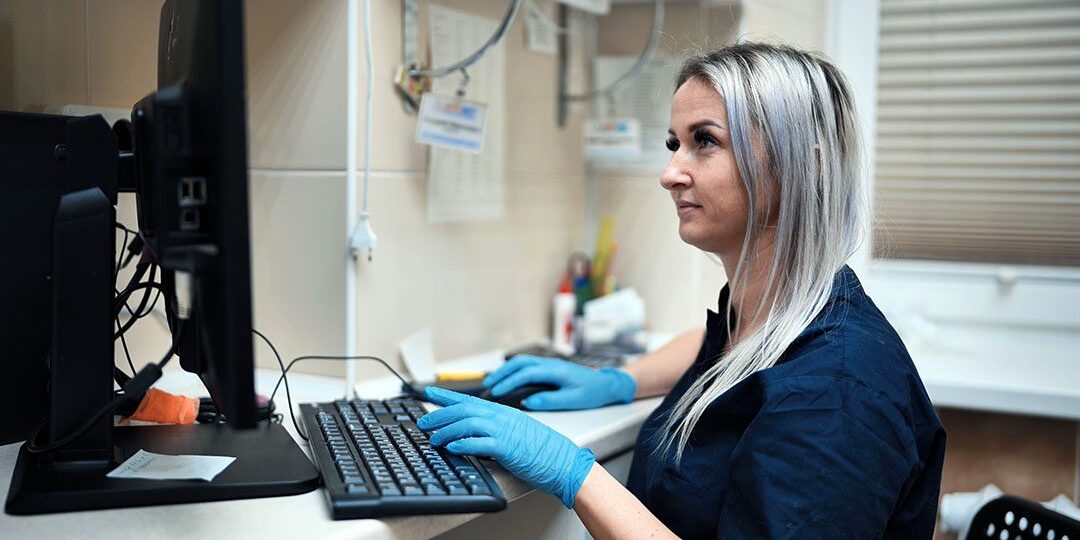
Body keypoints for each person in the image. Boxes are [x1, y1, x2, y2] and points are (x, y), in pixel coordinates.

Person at [417, 42, 946, 539]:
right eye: (675, 144)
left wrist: (574, 474)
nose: (670, 173)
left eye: (705, 142)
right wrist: (617, 381)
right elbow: (722, 351)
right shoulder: (779, 314)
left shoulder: (838, 396)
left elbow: (788, 383)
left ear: (795, 167)